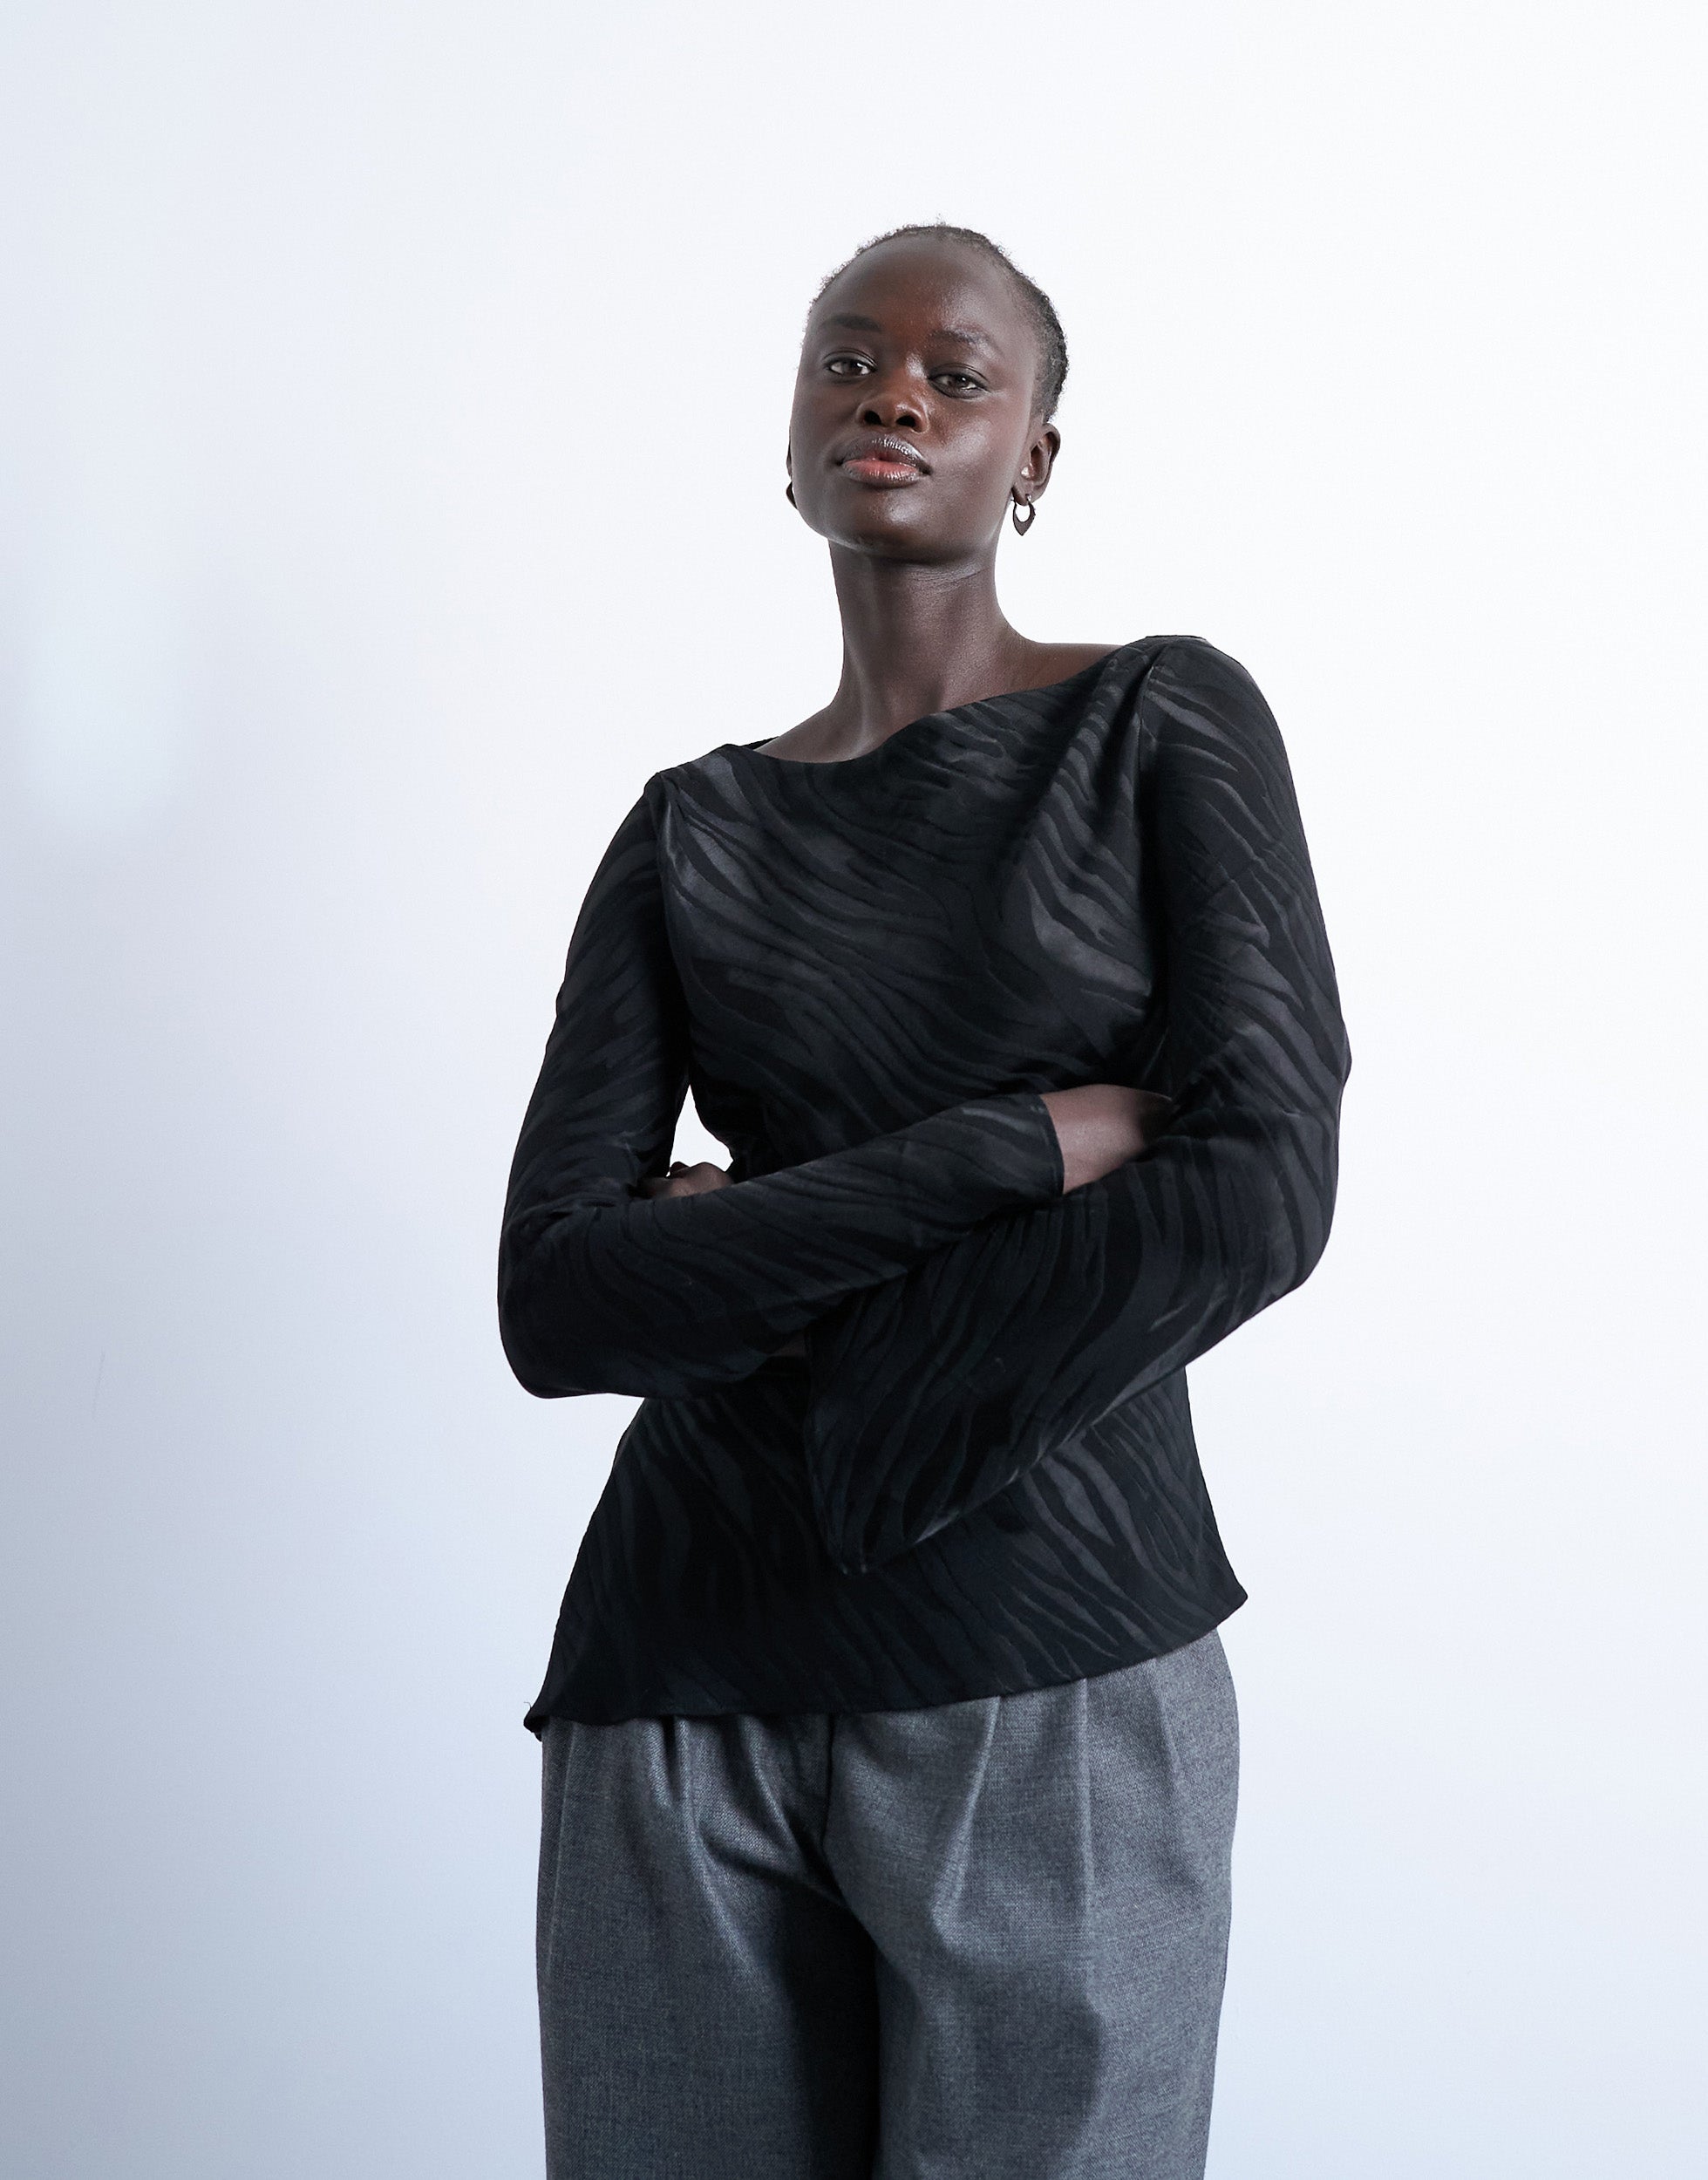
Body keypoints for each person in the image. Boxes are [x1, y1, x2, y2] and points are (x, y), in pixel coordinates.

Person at [499, 221, 1351, 2180]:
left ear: (1032, 456)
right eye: (847, 359)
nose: (892, 392)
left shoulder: (1160, 722)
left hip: (1051, 1653)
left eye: (956, 375)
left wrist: (769, 1294)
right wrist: (1013, 1148)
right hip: (677, 1671)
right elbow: (558, 1301)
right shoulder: (689, 828)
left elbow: (1257, 1189)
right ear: (789, 433)